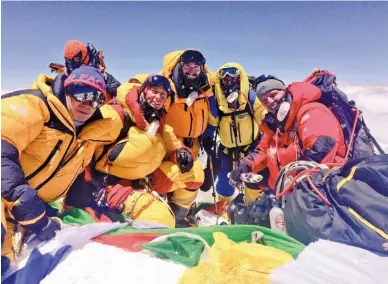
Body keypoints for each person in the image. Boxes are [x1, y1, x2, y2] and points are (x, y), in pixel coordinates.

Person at [1, 66, 123, 263]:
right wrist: (27, 206)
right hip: (10, 198)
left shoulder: (86, 134)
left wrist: (82, 208)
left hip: (32, 210)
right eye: (81, 93)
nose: (88, 104)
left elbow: (75, 174)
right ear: (66, 89)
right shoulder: (37, 106)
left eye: (96, 98)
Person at [93, 75, 204, 227]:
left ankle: (178, 218)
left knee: (195, 173)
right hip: (111, 186)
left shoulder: (159, 122)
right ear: (143, 91)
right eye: (154, 91)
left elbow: (174, 146)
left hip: (142, 182)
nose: (158, 97)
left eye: (163, 94)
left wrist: (181, 153)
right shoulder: (117, 115)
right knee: (162, 220)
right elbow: (82, 147)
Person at [228, 74, 347, 192]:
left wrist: (296, 187)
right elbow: (263, 151)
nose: (270, 101)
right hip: (289, 185)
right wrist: (245, 166)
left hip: (324, 186)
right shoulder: (275, 125)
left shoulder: (311, 111)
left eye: (273, 95)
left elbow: (321, 151)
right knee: (252, 183)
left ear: (284, 91)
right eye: (264, 100)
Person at [157, 49, 214, 222]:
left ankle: (180, 216)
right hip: (170, 144)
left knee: (191, 179)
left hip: (193, 144)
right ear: (179, 66)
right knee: (170, 178)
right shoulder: (166, 87)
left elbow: (220, 79)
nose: (192, 71)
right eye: (187, 66)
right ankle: (160, 212)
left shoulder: (205, 86)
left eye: (196, 67)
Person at [201, 63, 267, 203]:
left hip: (251, 148)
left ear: (239, 78)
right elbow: (212, 125)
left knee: (254, 180)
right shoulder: (216, 102)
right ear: (220, 81)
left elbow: (264, 120)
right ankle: (224, 208)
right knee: (224, 183)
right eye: (224, 78)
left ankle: (254, 206)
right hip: (226, 150)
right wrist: (207, 143)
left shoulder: (251, 98)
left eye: (233, 76)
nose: (229, 80)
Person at [50, 40, 121, 101]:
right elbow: (69, 70)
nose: (74, 63)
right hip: (91, 81)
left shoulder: (92, 59)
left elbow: (101, 69)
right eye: (69, 61)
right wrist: (62, 69)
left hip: (104, 79)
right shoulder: (72, 65)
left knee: (116, 89)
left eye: (76, 59)